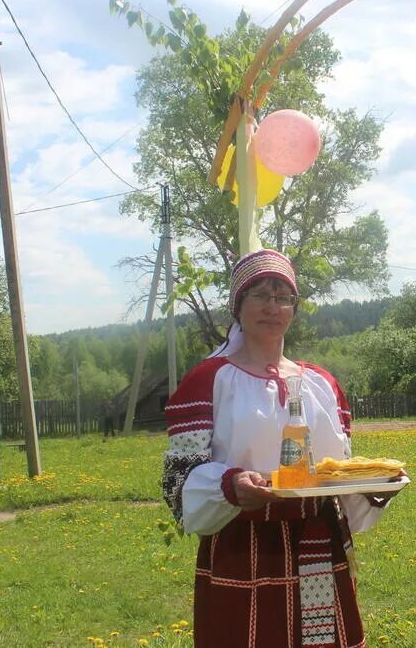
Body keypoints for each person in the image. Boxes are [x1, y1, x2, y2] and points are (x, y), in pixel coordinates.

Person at [161, 248, 388, 647]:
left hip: (317, 539)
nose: (273, 307)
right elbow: (177, 480)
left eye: (283, 297)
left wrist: (374, 486)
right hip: (242, 545)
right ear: (238, 305)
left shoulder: (322, 383)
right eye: (260, 295)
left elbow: (341, 468)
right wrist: (230, 486)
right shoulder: (210, 380)